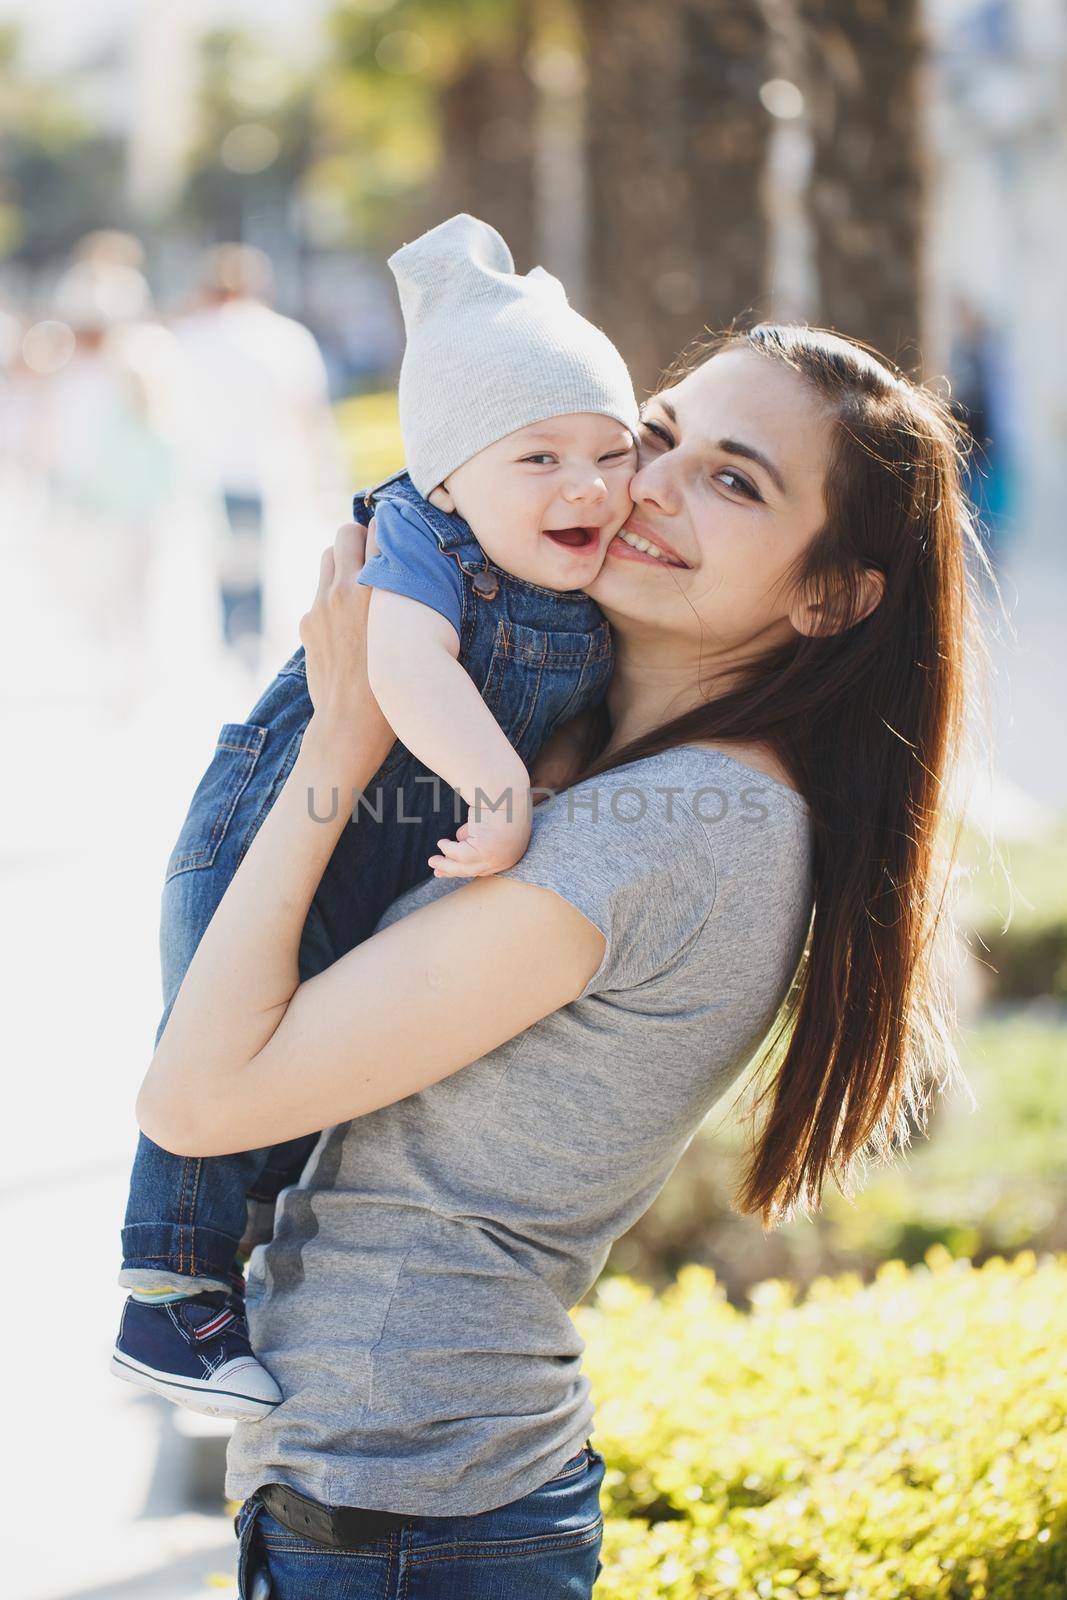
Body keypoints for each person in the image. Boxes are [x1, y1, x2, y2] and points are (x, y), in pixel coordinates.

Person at [135, 322, 985, 1599]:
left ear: (828, 595)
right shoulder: (600, 771)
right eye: (657, 433)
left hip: (408, 1510)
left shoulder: (675, 827)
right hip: (398, 1494)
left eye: (733, 479)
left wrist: (340, 744)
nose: (645, 484)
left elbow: (195, 1099)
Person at [112, 215, 639, 1415]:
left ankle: (227, 1269)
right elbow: (400, 667)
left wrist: (547, 774)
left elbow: (559, 707)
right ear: (447, 471)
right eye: (540, 457)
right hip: (276, 810)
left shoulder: (575, 558)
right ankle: (163, 1295)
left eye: (610, 454)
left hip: (387, 823)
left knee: (299, 1053)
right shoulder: (420, 531)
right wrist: (503, 792)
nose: (587, 486)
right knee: (219, 1006)